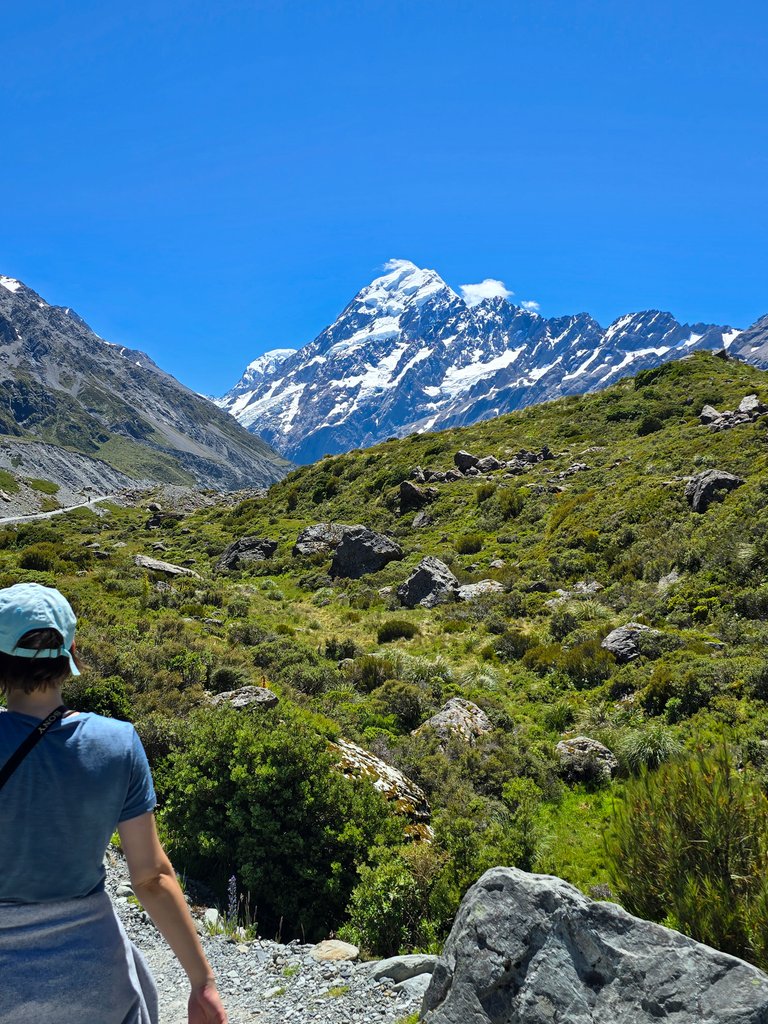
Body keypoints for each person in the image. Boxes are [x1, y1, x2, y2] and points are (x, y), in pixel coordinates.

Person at [0, 582, 228, 1024]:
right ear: (69, 653)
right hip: (94, 981)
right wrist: (203, 983)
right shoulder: (117, 743)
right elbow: (151, 878)